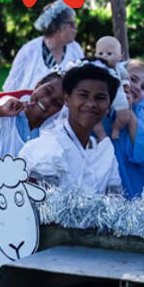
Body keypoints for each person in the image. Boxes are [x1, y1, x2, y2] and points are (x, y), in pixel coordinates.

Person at [18, 58, 122, 194]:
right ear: (67, 99)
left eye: (100, 98)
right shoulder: (48, 146)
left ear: (109, 106)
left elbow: (115, 200)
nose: (91, 103)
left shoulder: (105, 151)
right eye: (83, 95)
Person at [101, 60, 144, 200]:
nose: (137, 87)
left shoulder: (140, 113)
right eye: (133, 79)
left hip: (129, 182)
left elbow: (143, 153)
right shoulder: (102, 103)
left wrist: (128, 109)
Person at [3, 0, 84, 91]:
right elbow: (11, 86)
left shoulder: (75, 49)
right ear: (55, 27)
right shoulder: (29, 51)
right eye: (71, 23)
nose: (75, 27)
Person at [94, 35, 131, 139]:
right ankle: (101, 135)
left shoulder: (120, 69)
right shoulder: (96, 67)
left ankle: (116, 128)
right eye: (100, 53)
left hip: (118, 94)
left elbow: (126, 78)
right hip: (100, 95)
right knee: (95, 118)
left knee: (124, 116)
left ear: (119, 57)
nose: (104, 56)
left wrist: (126, 86)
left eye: (109, 53)